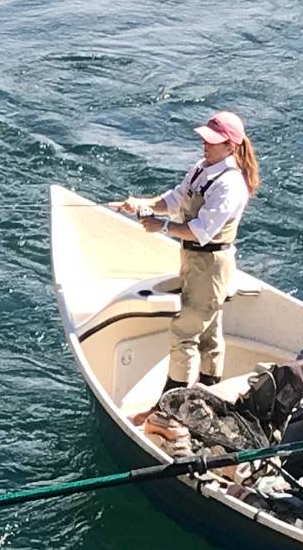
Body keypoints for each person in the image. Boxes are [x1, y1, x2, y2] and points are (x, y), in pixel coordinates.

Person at [111, 110, 261, 390]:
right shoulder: (202, 168)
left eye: (212, 140)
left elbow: (203, 231)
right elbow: (176, 199)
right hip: (194, 262)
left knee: (185, 332)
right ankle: (208, 392)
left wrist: (162, 227)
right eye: (205, 138)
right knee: (209, 334)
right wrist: (142, 204)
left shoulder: (230, 185)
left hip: (211, 266)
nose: (205, 144)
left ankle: (170, 407)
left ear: (230, 146)